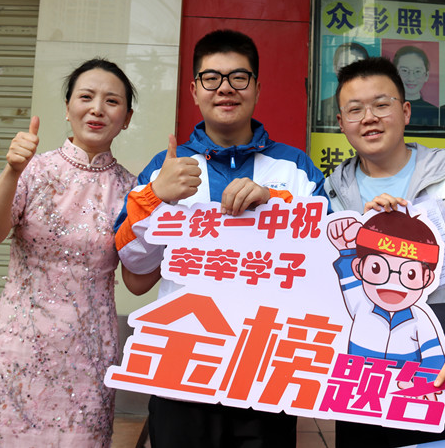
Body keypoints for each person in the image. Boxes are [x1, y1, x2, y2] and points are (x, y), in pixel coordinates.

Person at [113, 29, 329, 448]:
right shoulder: (165, 168)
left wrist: (276, 204)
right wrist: (156, 197)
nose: (225, 88)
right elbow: (134, 266)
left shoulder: (295, 168)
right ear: (195, 90)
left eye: (239, 77)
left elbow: (327, 260)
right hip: (180, 367)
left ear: (257, 88)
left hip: (267, 370)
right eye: (211, 78)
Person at [324, 57, 445, 446]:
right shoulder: (331, 193)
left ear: (405, 111)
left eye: (381, 104)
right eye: (355, 109)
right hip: (359, 395)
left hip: (444, 390)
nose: (369, 118)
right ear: (341, 122)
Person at [0, 59, 138, 446]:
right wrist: (11, 171)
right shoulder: (34, 170)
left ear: (126, 118)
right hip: (19, 350)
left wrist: (162, 208)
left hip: (88, 356)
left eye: (112, 101)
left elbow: (137, 278)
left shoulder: (132, 190)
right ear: (67, 108)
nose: (97, 109)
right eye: (86, 97)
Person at [327, 209, 445, 370]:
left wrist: (415, 381)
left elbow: (435, 360)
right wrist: (346, 250)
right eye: (376, 268)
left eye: (410, 274)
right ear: (358, 268)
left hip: (403, 385)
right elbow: (349, 279)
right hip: (355, 381)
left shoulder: (420, 319)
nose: (393, 283)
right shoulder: (362, 303)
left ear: (427, 278)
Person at [393, 45, 437, 126]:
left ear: (426, 75)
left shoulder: (435, 112)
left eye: (417, 71)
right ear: (395, 74)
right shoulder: (387, 108)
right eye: (404, 71)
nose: (411, 78)